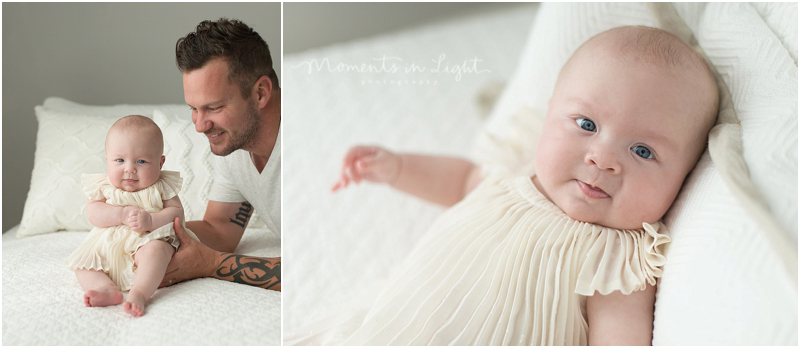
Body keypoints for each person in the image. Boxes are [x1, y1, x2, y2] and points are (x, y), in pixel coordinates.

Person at [294, 26, 719, 345]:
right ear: (550, 113)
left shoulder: (620, 260)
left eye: (643, 151)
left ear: (684, 176)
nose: (602, 158)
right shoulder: (513, 176)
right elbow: (461, 179)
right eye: (586, 124)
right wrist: (398, 167)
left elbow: (618, 336)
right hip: (400, 324)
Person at [160, 18, 281, 291]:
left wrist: (212, 264)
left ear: (261, 93)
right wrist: (151, 236)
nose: (200, 126)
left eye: (213, 108)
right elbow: (219, 229)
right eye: (193, 108)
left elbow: (328, 267)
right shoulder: (235, 144)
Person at [66, 115, 188, 317]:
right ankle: (106, 289)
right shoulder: (104, 186)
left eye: (141, 161)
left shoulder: (162, 186)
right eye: (119, 160)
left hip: (147, 239)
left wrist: (151, 221)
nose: (129, 168)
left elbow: (177, 213)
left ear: (160, 162)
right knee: (82, 265)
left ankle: (139, 293)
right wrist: (120, 214)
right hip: (107, 244)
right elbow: (93, 213)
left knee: (156, 252)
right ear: (107, 160)